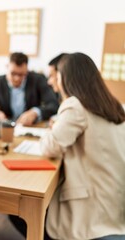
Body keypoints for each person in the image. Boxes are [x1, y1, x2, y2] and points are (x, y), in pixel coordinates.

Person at [40, 52, 125, 240]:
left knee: (26, 212)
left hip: (89, 209)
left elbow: (49, 147)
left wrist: (51, 130)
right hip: (115, 202)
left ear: (66, 79)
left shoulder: (75, 105)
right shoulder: (113, 105)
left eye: (57, 76)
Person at [0, 52, 59, 126]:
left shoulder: (38, 80)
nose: (17, 78)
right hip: (7, 127)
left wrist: (35, 112)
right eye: (13, 73)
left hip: (31, 127)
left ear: (27, 70)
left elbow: (53, 105)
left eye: (21, 74)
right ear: (7, 67)